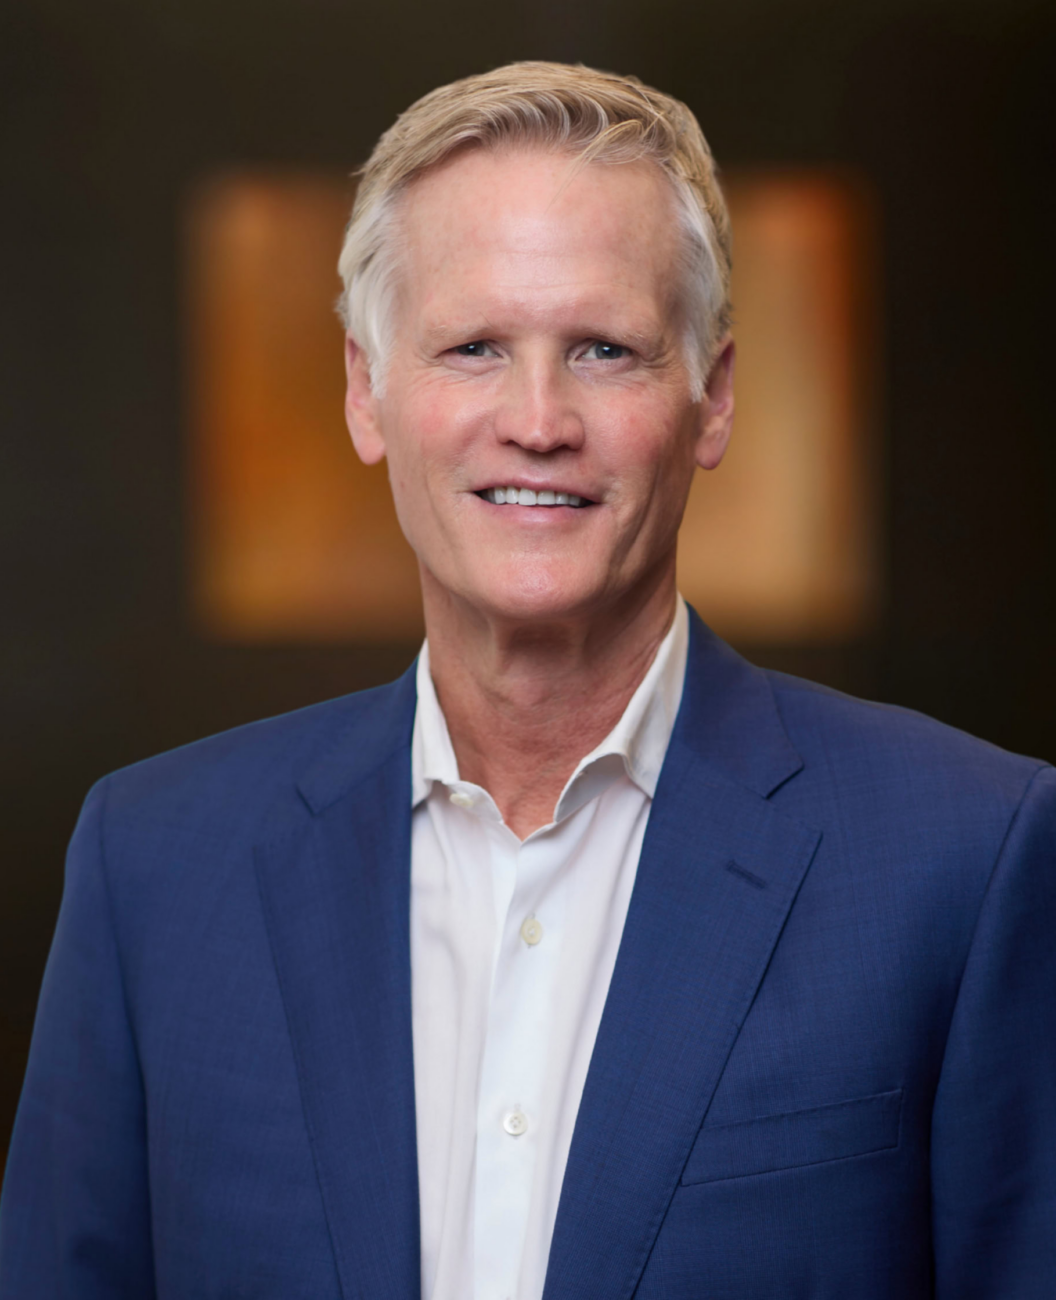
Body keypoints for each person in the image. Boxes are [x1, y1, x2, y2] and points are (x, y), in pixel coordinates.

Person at [1, 60, 1054, 1300]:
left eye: (605, 349)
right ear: (365, 390)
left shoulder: (966, 856)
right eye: (473, 346)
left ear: (711, 399)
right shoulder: (153, 868)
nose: (539, 418)